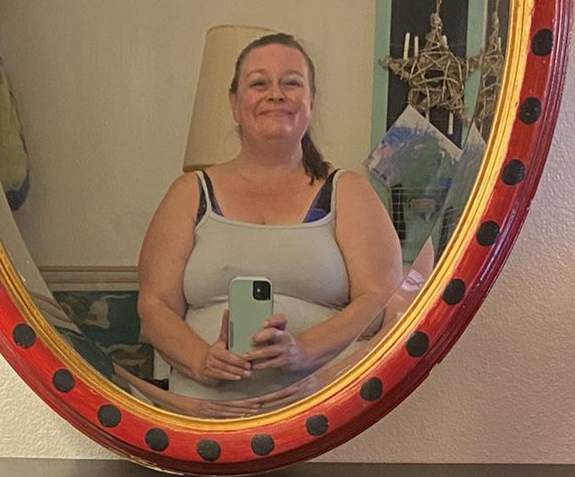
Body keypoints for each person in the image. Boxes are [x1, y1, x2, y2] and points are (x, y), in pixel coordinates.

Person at [137, 34, 403, 403]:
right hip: (206, 415)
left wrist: (304, 351)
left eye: (291, 83)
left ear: (311, 101)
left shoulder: (348, 191)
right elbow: (154, 308)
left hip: (322, 411)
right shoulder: (190, 192)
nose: (275, 94)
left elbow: (379, 297)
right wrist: (202, 361)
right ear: (234, 103)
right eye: (259, 83)